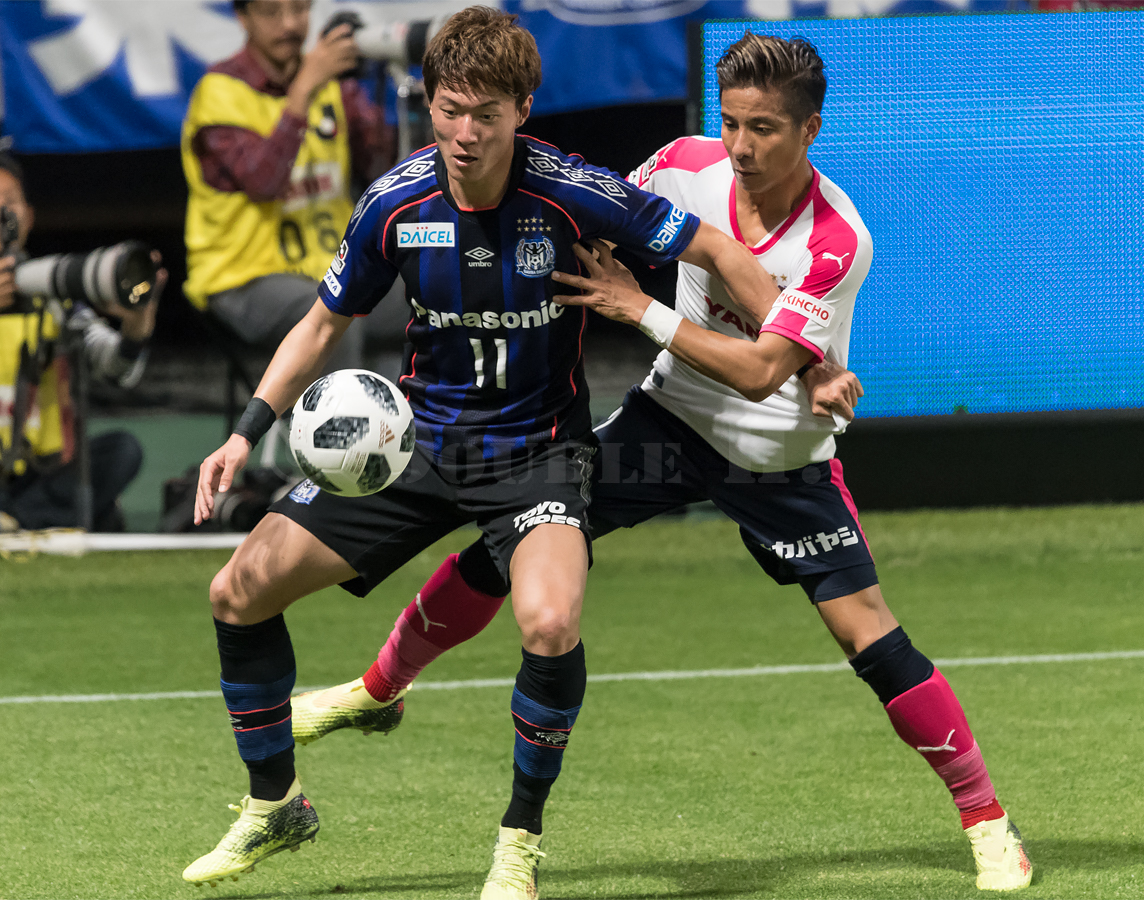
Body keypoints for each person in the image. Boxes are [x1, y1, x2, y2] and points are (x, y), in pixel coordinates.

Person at [298, 33, 1033, 896]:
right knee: (515, 544)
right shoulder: (686, 165)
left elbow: (759, 374)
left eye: (764, 129)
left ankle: (988, 821)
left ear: (810, 130)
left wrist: (646, 311)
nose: (741, 147)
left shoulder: (838, 240)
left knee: (867, 635)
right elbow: (591, 216)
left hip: (777, 460)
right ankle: (379, 688)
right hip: (668, 422)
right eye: (731, 123)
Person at [180, 8, 853, 895]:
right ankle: (276, 805)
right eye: (448, 110)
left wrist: (810, 362)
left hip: (539, 456)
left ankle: (518, 842)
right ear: (430, 103)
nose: (463, 133)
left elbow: (720, 249)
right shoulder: (394, 203)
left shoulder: (572, 191)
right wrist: (245, 431)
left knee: (549, 622)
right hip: (414, 443)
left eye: (485, 114)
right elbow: (320, 323)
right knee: (237, 591)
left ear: (522, 111)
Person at [0, 151, 161, 533]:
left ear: (29, 215)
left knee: (123, 450)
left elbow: (118, 371)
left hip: (35, 475)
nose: (2, 212)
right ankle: (32, 519)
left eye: (11, 201)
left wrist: (135, 327)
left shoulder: (50, 289)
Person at [181, 0, 393, 372]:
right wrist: (303, 91)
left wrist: (373, 88)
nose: (290, 24)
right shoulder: (219, 92)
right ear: (243, 17)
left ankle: (415, 409)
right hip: (242, 276)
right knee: (327, 314)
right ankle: (337, 413)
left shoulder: (331, 82)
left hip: (331, 264)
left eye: (299, 9)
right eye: (272, 12)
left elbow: (380, 171)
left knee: (431, 289)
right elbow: (264, 183)